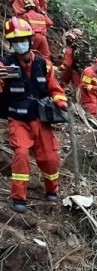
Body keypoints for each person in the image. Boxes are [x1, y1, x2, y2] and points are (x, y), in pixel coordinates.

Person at [0, 17, 67, 213]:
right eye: (15, 41)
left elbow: (56, 89)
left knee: (50, 158)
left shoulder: (43, 64)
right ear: (11, 44)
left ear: (30, 40)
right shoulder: (5, 65)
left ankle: (52, 190)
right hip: (19, 120)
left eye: (23, 40)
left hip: (42, 119)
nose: (20, 44)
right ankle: (18, 197)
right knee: (21, 153)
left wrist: (60, 101)